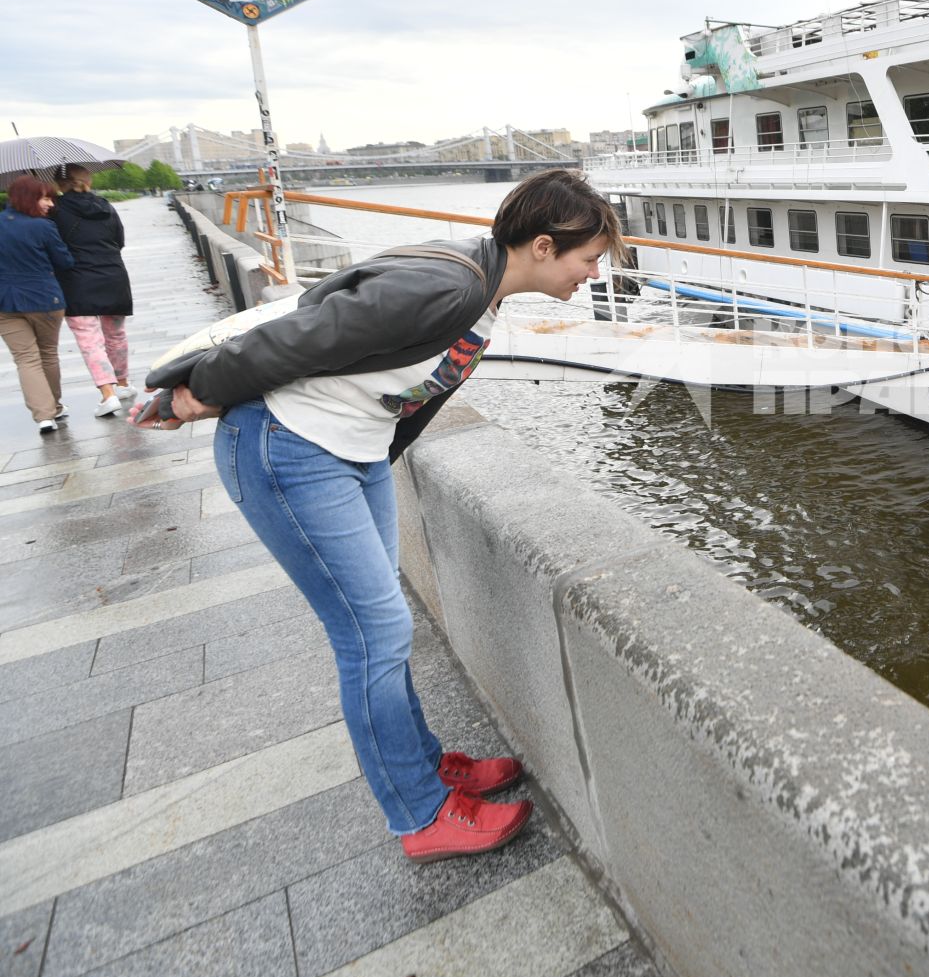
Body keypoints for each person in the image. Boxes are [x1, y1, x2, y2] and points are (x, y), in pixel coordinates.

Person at [142, 169, 626, 862]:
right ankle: (419, 812)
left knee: (382, 629)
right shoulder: (450, 285)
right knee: (373, 634)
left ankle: (424, 763)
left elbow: (408, 393)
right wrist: (198, 394)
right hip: (293, 450)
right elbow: (302, 331)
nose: (592, 275)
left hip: (350, 452)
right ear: (545, 246)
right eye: (589, 260)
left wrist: (377, 456)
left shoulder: (481, 290)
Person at [50, 164, 136, 417]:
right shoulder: (106, 206)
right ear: (87, 179)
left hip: (76, 281)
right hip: (113, 276)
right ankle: (122, 384)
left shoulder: (55, 210)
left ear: (59, 184)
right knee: (116, 335)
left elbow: (52, 245)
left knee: (90, 340)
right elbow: (119, 241)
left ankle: (107, 394)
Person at [1, 175, 76, 435]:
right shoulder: (42, 227)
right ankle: (53, 406)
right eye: (45, 198)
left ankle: (43, 416)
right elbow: (64, 262)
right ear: (29, 198)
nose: (50, 205)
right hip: (44, 299)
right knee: (47, 354)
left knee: (25, 359)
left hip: (4, 303)